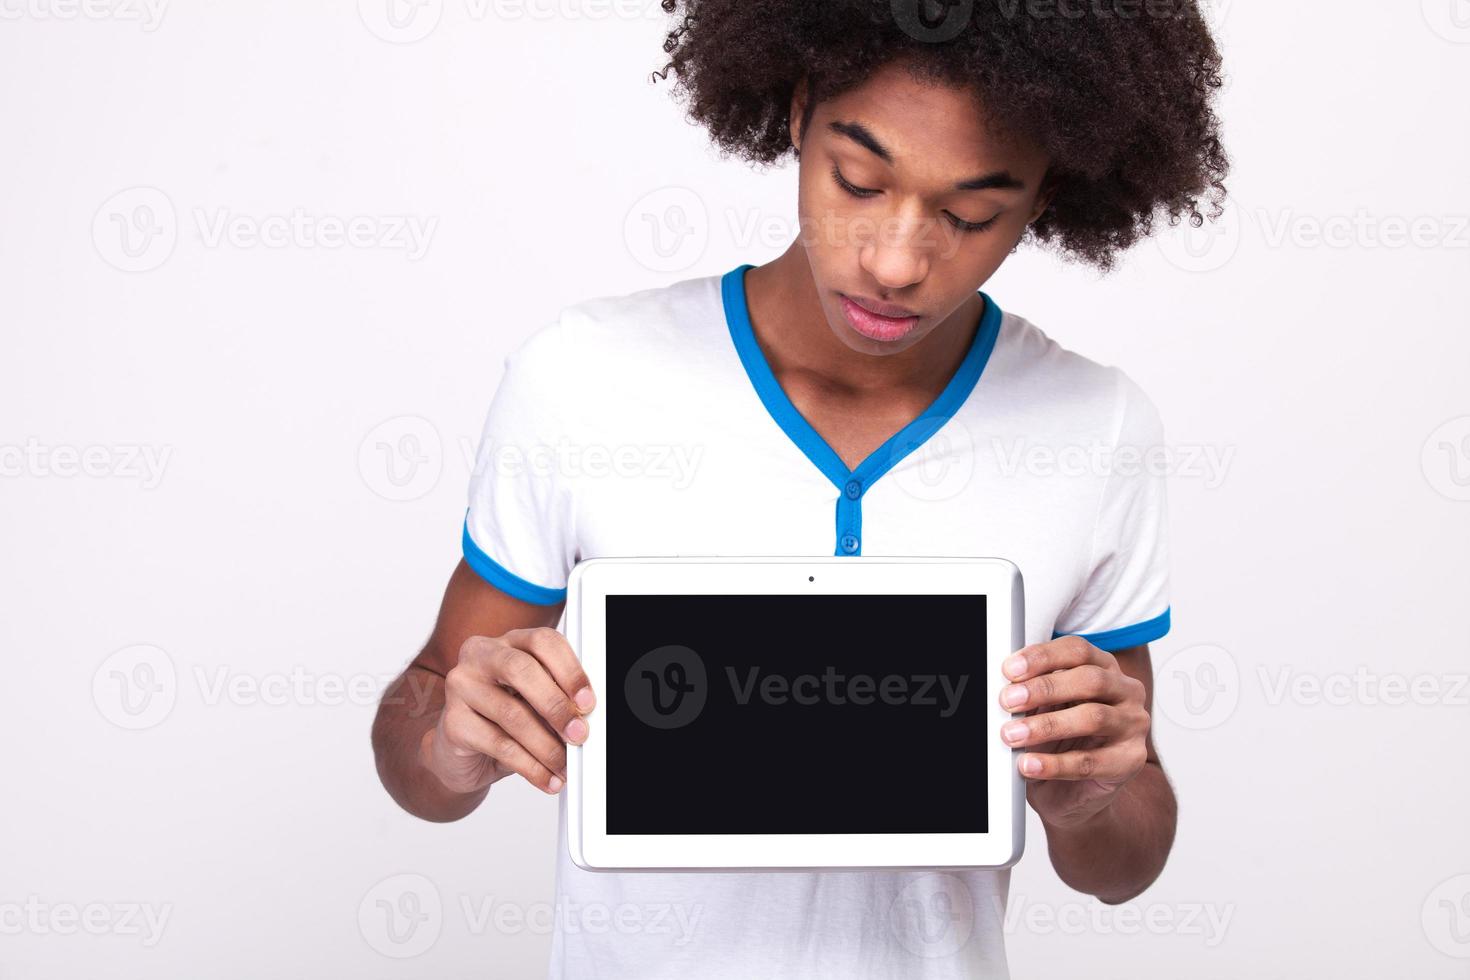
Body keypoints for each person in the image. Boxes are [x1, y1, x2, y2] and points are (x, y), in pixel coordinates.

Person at [372, 1, 1227, 975]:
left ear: (1050, 190)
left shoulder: (1097, 426)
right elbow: (422, 739)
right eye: (858, 182)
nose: (897, 261)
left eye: (970, 214)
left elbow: (1125, 859)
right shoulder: (582, 377)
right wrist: (452, 740)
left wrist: (1092, 796)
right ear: (796, 107)